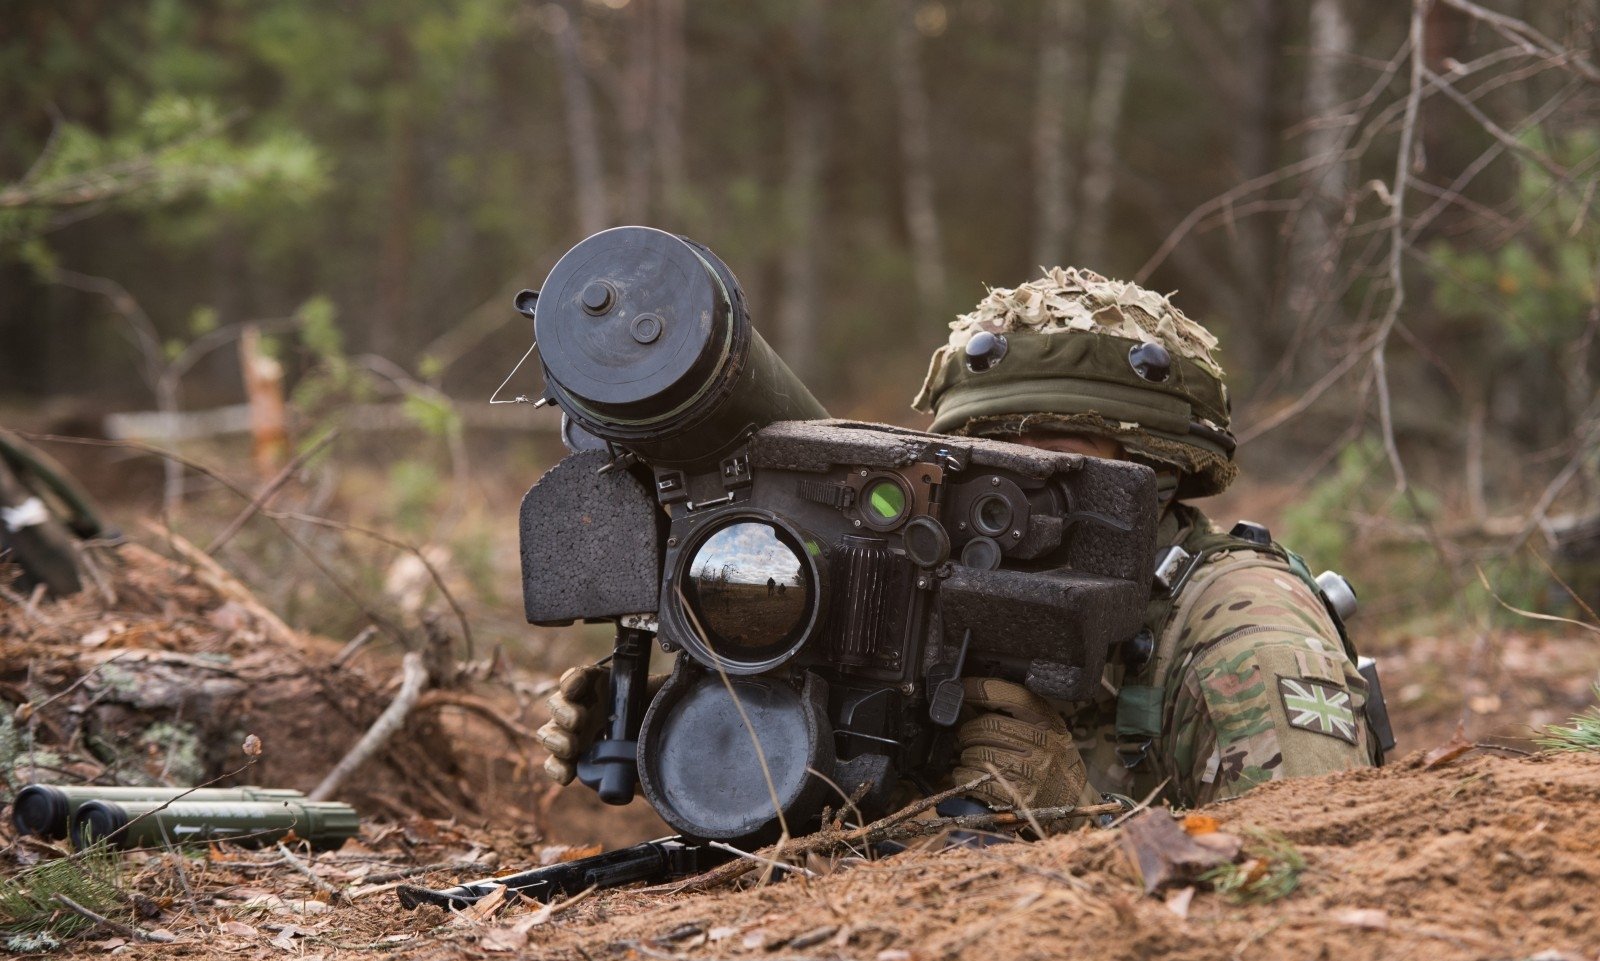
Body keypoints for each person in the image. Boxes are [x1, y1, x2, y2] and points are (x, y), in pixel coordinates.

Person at [537, 267, 1380, 812]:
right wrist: (670, 724)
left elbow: (1311, 877)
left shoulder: (1238, 625)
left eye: (1061, 462)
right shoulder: (928, 584)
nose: (1015, 483)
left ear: (1156, 471)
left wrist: (1081, 816)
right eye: (990, 454)